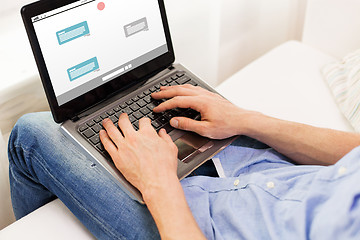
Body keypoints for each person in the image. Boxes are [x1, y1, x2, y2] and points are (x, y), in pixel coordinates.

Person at [8, 84, 360, 239]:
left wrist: (158, 182)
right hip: (270, 174)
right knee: (173, 103)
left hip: (191, 227)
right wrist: (247, 119)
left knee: (31, 134)